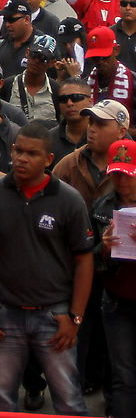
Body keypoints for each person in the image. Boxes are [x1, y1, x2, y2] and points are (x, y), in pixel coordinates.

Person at [0, 123, 93, 416]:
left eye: (31, 154)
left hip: (54, 314)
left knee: (69, 400)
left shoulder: (69, 200)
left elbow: (84, 260)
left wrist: (75, 317)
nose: (22, 158)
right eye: (18, 151)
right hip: (4, 314)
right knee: (1, 399)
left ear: (48, 160)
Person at [91, 138, 136, 418]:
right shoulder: (101, 208)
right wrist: (104, 248)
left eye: (128, 175)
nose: (122, 182)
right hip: (118, 303)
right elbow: (89, 260)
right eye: (117, 175)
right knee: (124, 378)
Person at [85, 27, 136, 125]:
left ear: (116, 50)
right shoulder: (86, 82)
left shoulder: (132, 82)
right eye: (95, 58)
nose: (100, 62)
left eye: (104, 57)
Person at [0, 0, 45, 80]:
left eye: (11, 20)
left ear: (26, 20)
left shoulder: (43, 45)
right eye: (5, 20)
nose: (7, 25)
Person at [50, 79, 93, 169]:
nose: (69, 103)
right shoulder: (49, 139)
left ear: (90, 101)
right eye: (63, 99)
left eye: (76, 97)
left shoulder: (107, 136)